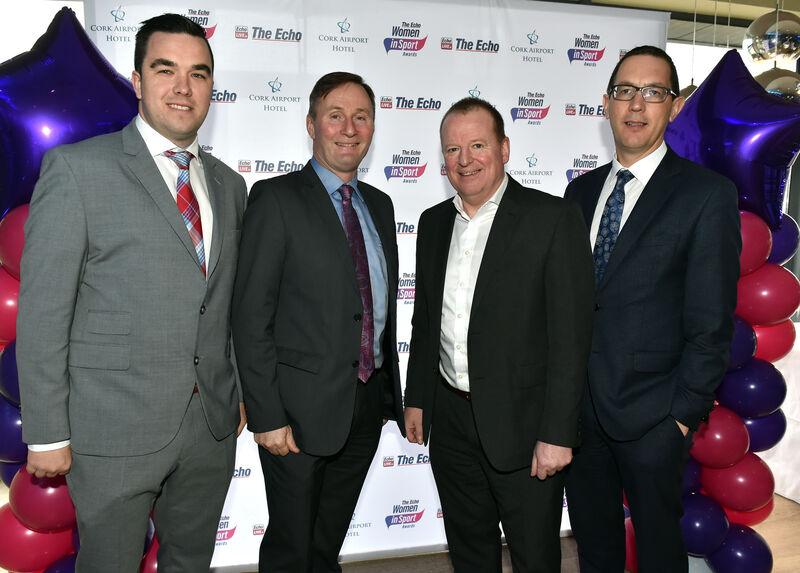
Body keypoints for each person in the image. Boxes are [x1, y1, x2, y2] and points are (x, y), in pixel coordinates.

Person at [17, 13, 247, 571]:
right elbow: (44, 311)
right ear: (138, 81)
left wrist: (238, 390)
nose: (183, 87)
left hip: (210, 427)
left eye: (198, 74)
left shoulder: (230, 184)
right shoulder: (77, 171)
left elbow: (227, 302)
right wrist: (46, 433)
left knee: (190, 563)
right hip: (112, 428)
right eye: (166, 70)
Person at [563, 45, 741, 572]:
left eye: (653, 92)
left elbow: (711, 322)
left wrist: (681, 419)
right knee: (595, 549)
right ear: (606, 103)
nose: (636, 104)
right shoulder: (579, 192)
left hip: (655, 417)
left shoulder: (706, 195)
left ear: (675, 106)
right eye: (624, 91)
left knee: (660, 553)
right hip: (579, 415)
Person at [404, 97, 594, 572]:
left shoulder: (551, 219)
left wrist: (557, 433)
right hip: (451, 422)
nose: (464, 159)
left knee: (534, 558)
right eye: (452, 149)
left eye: (477, 145)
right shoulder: (432, 223)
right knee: (469, 554)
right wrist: (418, 398)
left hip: (525, 428)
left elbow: (571, 338)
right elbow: (425, 320)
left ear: (504, 149)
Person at [231, 71, 405, 573]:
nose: (349, 128)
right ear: (311, 124)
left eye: (361, 117)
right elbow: (250, 315)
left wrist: (385, 396)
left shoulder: (380, 204)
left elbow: (376, 307)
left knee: (326, 548)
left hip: (364, 409)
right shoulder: (276, 198)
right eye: (335, 116)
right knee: (291, 552)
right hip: (295, 417)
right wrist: (266, 415)